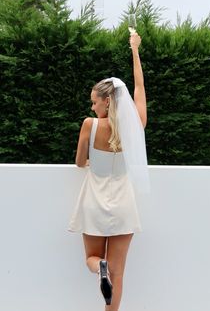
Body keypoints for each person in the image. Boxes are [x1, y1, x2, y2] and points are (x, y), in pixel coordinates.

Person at [68, 32, 148, 311]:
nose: (92, 106)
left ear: (106, 102)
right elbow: (138, 88)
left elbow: (80, 162)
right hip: (123, 203)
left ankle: (98, 266)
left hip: (94, 200)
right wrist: (135, 51)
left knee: (92, 257)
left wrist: (90, 162)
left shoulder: (90, 125)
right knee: (119, 273)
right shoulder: (134, 127)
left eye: (94, 101)